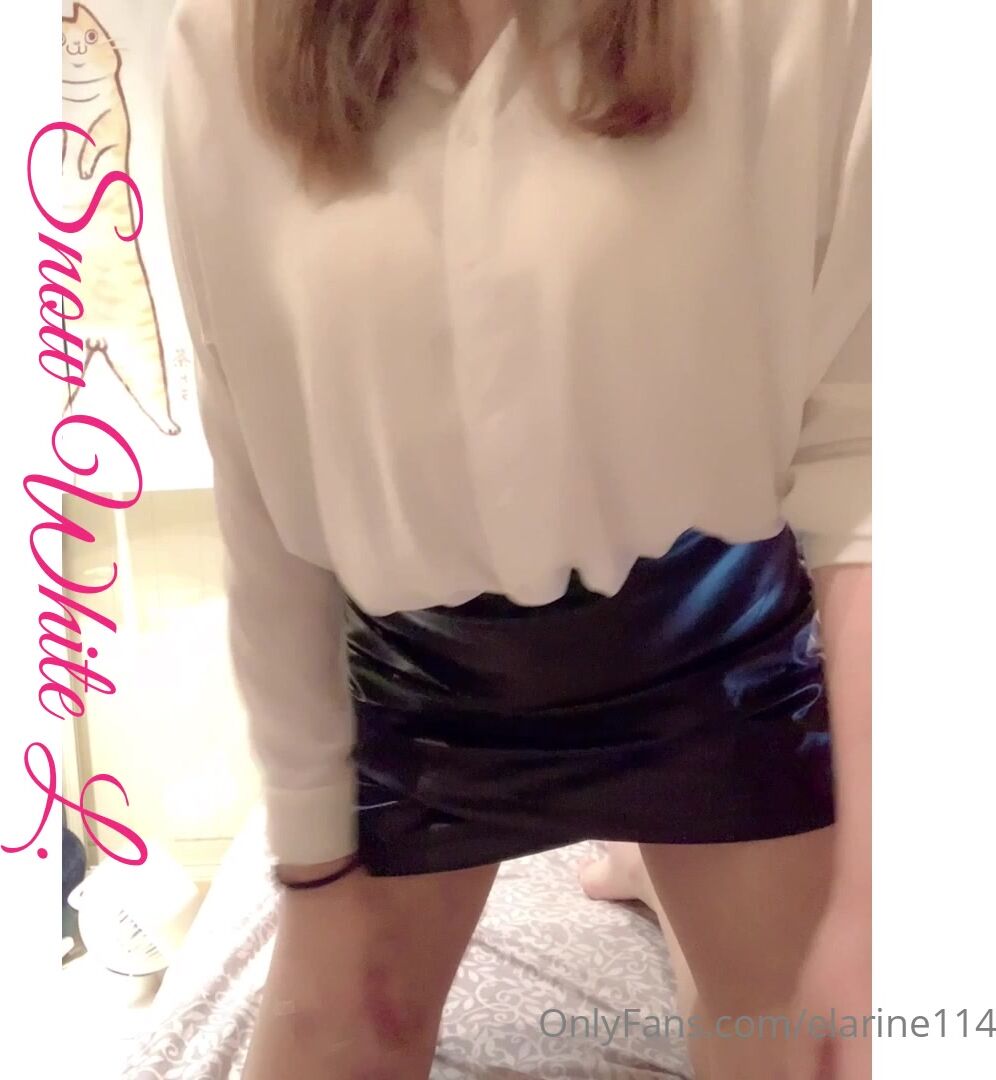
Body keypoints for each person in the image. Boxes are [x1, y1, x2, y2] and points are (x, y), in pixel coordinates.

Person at [162, 1, 871, 1077]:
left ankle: (654, 862)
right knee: (333, 1023)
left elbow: (871, 461)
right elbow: (258, 477)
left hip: (708, 644)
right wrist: (312, 868)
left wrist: (877, 883)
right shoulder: (225, 41)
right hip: (421, 680)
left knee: (802, 1035)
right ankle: (650, 859)